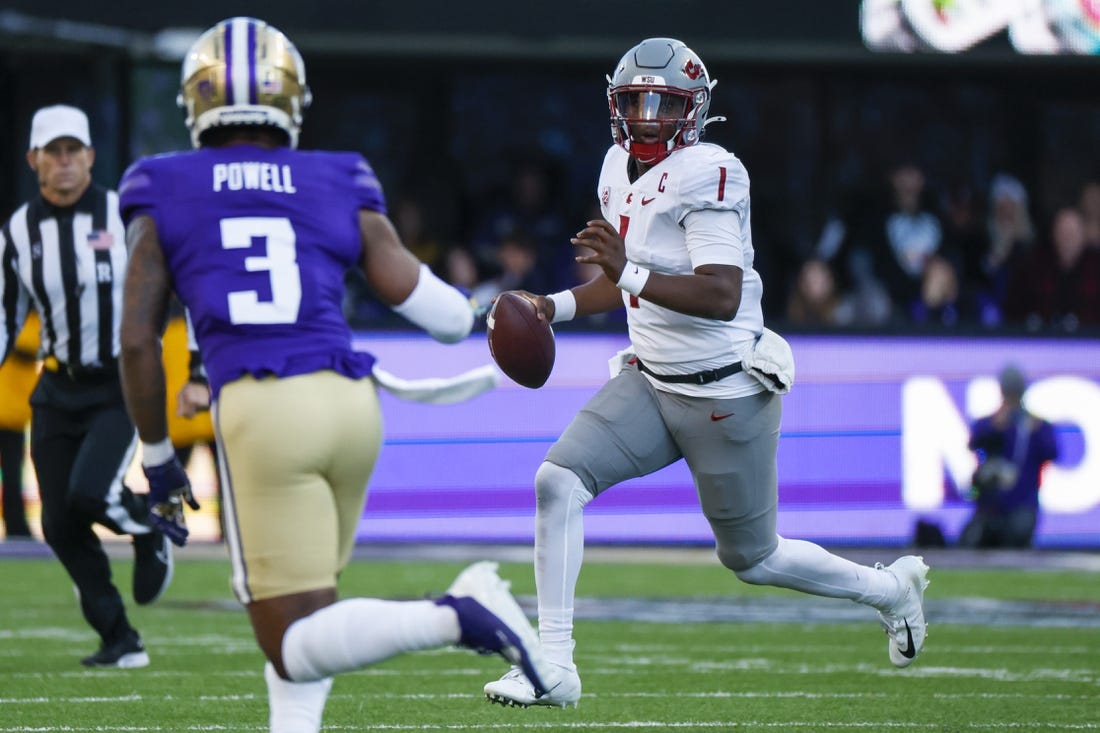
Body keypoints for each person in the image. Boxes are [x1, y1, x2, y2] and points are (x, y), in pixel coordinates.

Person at [116, 17, 549, 733]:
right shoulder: (334, 174)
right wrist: (504, 308)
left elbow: (137, 340)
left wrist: (157, 457)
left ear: (196, 100)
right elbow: (443, 316)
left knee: (288, 639)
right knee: (305, 613)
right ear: (292, 98)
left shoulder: (161, 182)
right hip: (353, 407)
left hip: (264, 409)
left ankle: (458, 613)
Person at [482, 38, 931, 709]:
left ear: (692, 109)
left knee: (753, 558)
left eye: (661, 101)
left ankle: (891, 589)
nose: (645, 115)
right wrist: (556, 305)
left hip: (724, 390)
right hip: (652, 381)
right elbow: (627, 282)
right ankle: (554, 665)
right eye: (634, 100)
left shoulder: (712, 171)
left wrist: (625, 269)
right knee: (557, 482)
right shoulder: (615, 167)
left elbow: (717, 294)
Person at [0, 104, 172, 667]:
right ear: (34, 161)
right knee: (56, 521)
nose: (65, 161)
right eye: (54, 152)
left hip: (119, 380)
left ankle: (150, 529)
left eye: (75, 150)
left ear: (92, 157)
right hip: (56, 386)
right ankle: (119, 638)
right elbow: (6, 314)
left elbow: (177, 288)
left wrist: (194, 370)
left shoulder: (126, 215)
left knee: (89, 495)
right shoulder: (18, 232)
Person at [960, 364, 1059, 549]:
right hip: (990, 506)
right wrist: (994, 426)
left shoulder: (1036, 425)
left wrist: (1036, 431)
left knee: (1017, 537)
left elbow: (1052, 452)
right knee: (971, 542)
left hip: (1023, 504)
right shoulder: (991, 422)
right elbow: (973, 443)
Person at [0, 311, 39, 539]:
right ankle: (17, 527)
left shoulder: (31, 320)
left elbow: (28, 348)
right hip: (11, 409)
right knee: (14, 471)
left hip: (12, 413)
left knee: (14, 473)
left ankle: (16, 526)